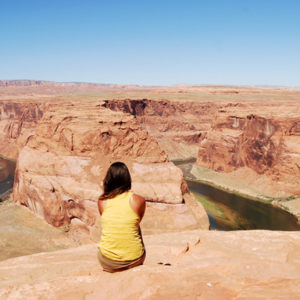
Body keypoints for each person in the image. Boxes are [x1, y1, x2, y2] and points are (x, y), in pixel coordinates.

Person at [97, 161, 146, 272]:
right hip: (135, 260)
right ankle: (131, 253)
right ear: (128, 179)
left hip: (108, 263)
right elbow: (139, 219)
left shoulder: (102, 201)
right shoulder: (139, 200)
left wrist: (104, 187)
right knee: (135, 225)